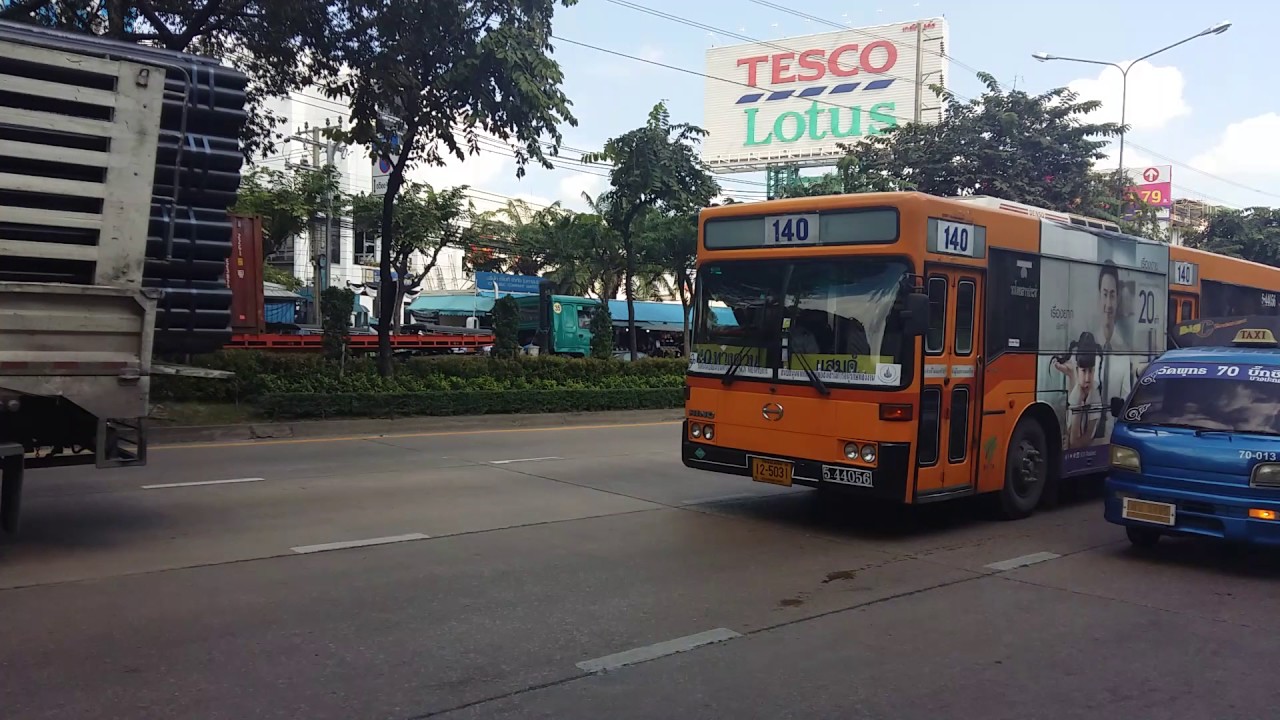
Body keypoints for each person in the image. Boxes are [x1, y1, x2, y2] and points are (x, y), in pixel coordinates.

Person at [1052, 331, 1103, 449]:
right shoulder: (1075, 387)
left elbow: (1076, 442)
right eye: (1083, 371)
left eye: (1091, 371)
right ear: (1077, 369)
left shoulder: (1094, 394)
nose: (1087, 378)